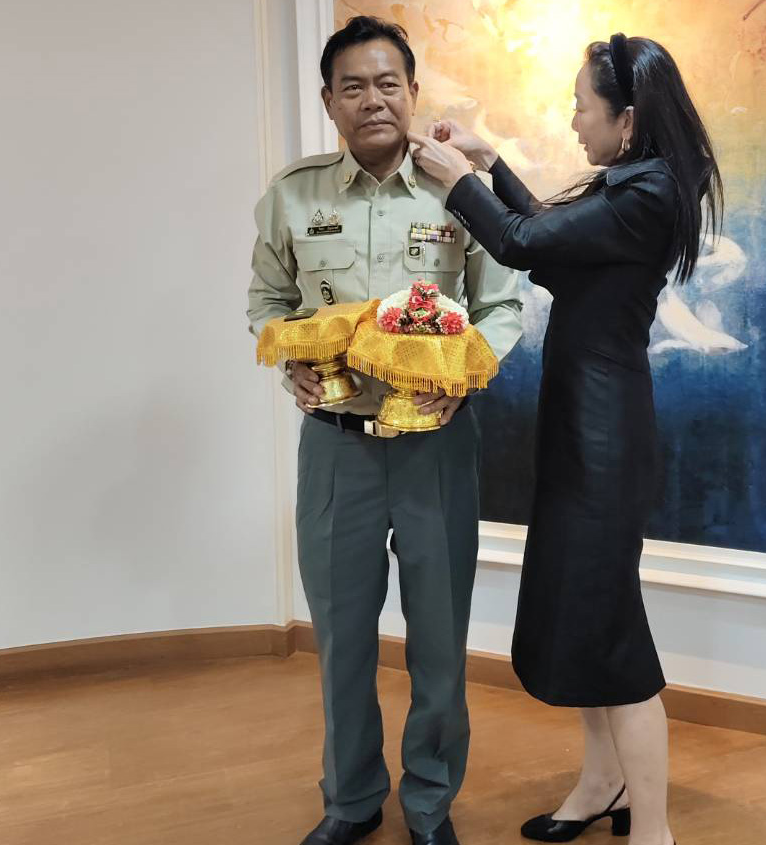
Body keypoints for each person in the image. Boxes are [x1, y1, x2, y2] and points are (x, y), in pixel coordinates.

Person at [408, 33, 722, 845]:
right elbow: (554, 237)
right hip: (585, 427)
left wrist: (457, 180)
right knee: (585, 621)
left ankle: (654, 829)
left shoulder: (648, 192)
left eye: (583, 106)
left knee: (611, 633)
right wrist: (488, 161)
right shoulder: (638, 186)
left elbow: (523, 243)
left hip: (603, 440)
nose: (573, 118)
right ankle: (602, 783)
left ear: (628, 118)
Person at [247, 16, 522, 845]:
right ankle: (351, 799)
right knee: (341, 638)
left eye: (388, 83)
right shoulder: (293, 196)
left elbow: (503, 307)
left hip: (437, 446)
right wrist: (291, 367)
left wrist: (464, 375)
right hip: (337, 447)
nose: (373, 100)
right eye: (354, 87)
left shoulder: (458, 192)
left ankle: (430, 802)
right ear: (329, 101)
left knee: (439, 637)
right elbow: (267, 303)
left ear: (412, 92)